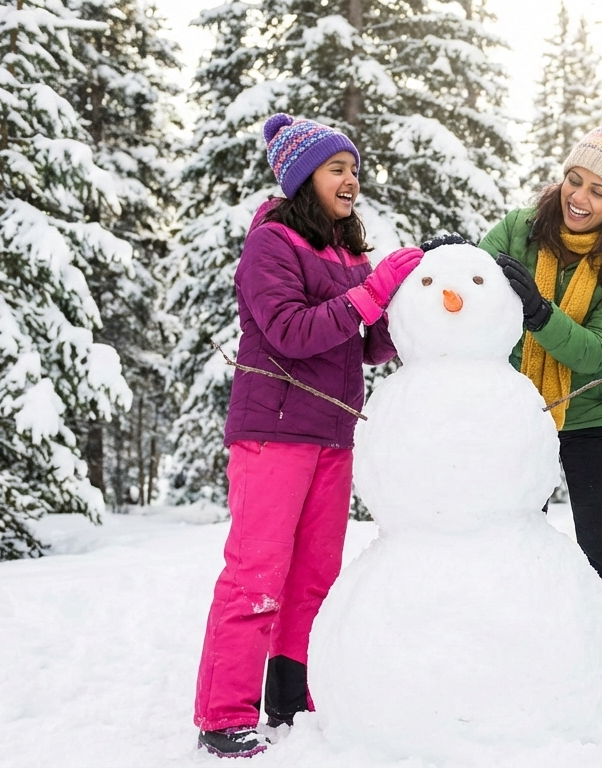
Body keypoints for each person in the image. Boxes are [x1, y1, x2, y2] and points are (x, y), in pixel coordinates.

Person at [193, 113, 423, 758]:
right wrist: (372, 291)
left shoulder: (349, 252)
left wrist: (407, 293)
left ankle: (291, 696)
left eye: (354, 168)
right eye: (336, 169)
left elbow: (370, 345)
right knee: (256, 574)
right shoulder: (272, 242)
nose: (351, 180)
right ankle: (224, 715)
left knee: (315, 576)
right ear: (303, 179)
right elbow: (291, 331)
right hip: (274, 431)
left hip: (333, 432)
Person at [477, 116, 602, 721]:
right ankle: (513, 664)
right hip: (515, 409)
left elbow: (598, 352)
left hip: (592, 416)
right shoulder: (519, 229)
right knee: (506, 534)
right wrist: (448, 268)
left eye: (597, 191)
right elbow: (468, 280)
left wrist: (536, 311)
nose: (579, 198)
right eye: (574, 180)